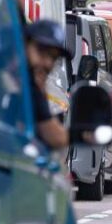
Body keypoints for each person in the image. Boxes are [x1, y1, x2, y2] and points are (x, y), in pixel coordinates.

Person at [25, 20, 72, 150]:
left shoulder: (33, 90)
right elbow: (56, 138)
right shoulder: (24, 87)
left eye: (53, 58)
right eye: (42, 51)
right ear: (24, 45)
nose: (48, 63)